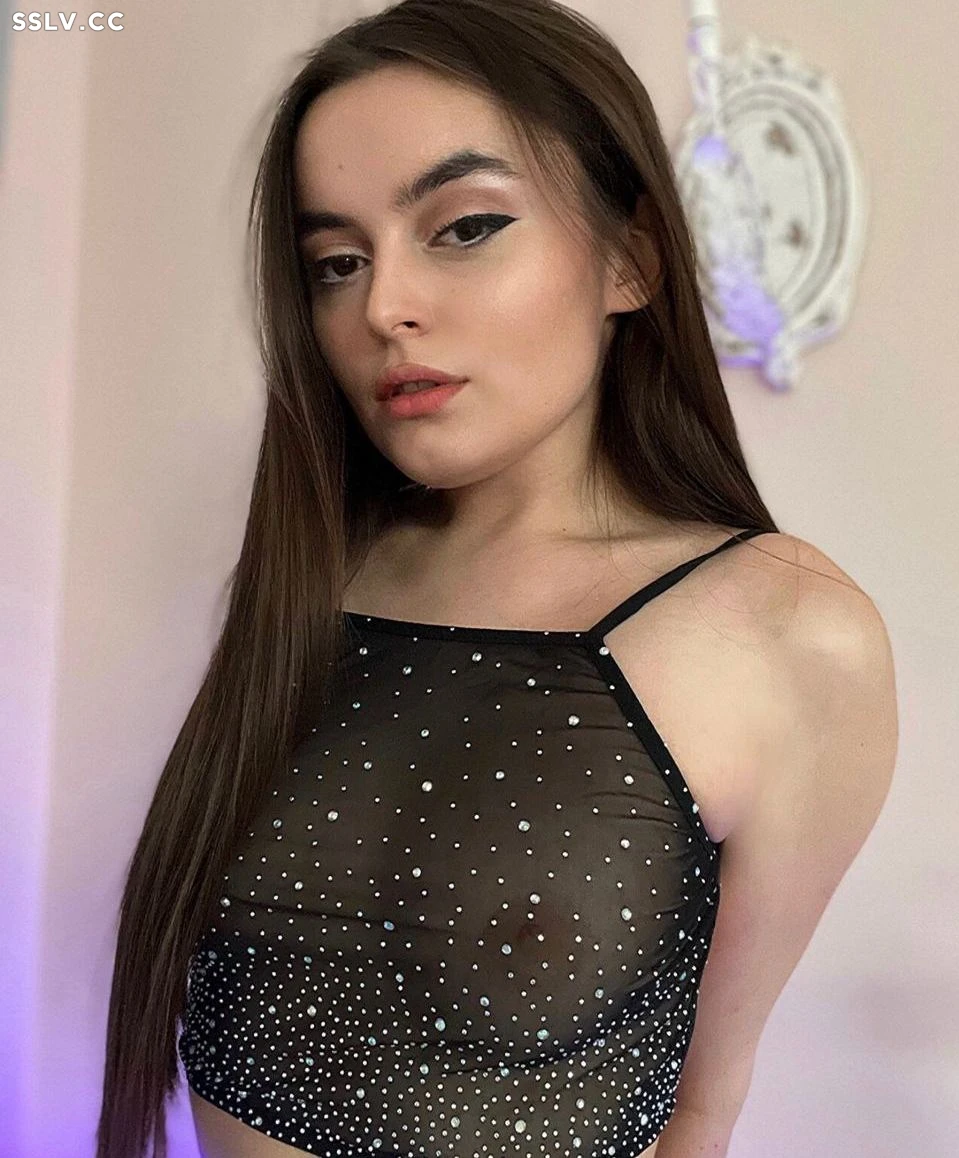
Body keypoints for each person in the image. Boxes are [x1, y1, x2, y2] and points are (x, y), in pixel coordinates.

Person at [95, 2, 898, 1156]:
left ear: (628, 258)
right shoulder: (308, 579)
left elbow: (699, 1112)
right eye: (335, 263)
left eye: (464, 228)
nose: (383, 307)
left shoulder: (786, 635)